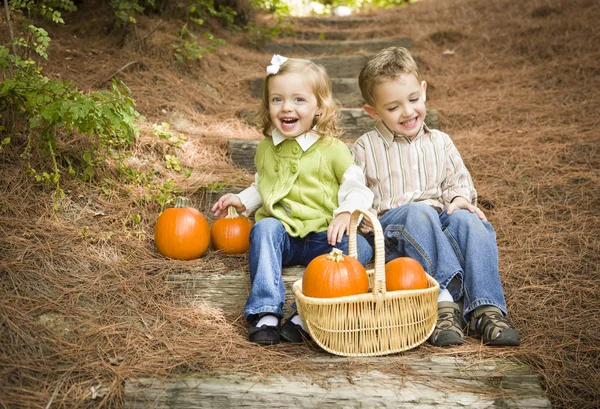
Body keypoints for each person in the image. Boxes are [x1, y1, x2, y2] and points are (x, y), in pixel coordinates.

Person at [351, 47, 520, 347]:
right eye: (393, 107)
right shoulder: (365, 148)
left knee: (470, 221)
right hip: (397, 234)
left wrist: (458, 201)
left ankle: (486, 308)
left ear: (424, 91)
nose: (407, 112)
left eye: (414, 100)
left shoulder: (440, 142)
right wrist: (363, 219)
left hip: (439, 223)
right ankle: (443, 303)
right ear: (372, 111)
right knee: (419, 212)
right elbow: (355, 194)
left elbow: (459, 182)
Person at [211, 55, 374, 345]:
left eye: (299, 100)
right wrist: (242, 200)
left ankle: (304, 316)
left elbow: (358, 188)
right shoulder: (266, 148)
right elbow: (264, 186)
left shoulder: (333, 150)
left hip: (325, 238)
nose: (287, 107)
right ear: (268, 106)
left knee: (360, 247)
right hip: (283, 236)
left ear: (319, 108)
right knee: (263, 229)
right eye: (277, 100)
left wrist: (345, 214)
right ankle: (266, 312)